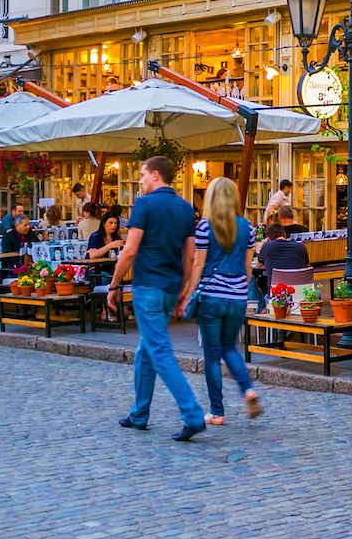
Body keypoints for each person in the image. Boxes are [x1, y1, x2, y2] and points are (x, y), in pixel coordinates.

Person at [110, 156, 207, 442]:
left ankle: (192, 414)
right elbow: (189, 255)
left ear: (155, 175)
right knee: (146, 349)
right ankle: (139, 413)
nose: (140, 180)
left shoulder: (145, 205)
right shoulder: (185, 208)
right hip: (170, 286)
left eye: (142, 175)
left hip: (148, 286)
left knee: (160, 351)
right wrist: (185, 290)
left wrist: (114, 284)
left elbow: (130, 251)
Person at [177, 177, 262, 428]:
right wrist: (239, 288)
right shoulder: (247, 227)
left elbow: (198, 265)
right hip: (237, 297)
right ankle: (248, 390)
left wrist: (187, 293)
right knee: (229, 347)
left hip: (212, 296)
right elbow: (248, 268)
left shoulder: (204, 226)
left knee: (212, 355)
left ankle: (217, 411)